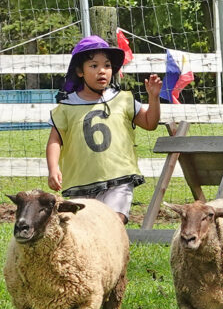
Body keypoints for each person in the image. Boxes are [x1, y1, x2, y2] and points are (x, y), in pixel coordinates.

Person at [45, 36, 162, 221]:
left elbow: (150, 123)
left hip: (120, 178)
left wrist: (154, 98)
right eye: (94, 66)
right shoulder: (67, 107)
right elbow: (55, 140)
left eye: (107, 66)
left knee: (113, 223)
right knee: (86, 228)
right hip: (81, 182)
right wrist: (53, 169)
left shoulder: (123, 99)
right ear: (79, 71)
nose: (102, 71)